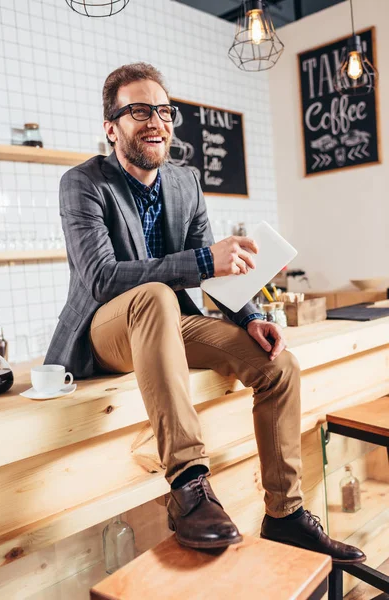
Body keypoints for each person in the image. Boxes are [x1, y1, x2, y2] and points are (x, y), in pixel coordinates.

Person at [45, 62, 365, 563]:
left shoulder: (185, 182)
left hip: (167, 321)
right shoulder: (82, 184)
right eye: (138, 111)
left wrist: (249, 317)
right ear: (111, 127)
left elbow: (218, 270)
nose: (156, 121)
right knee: (156, 294)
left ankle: (285, 514)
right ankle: (190, 485)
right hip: (104, 330)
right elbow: (102, 277)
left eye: (164, 111)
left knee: (279, 365)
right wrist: (199, 260)